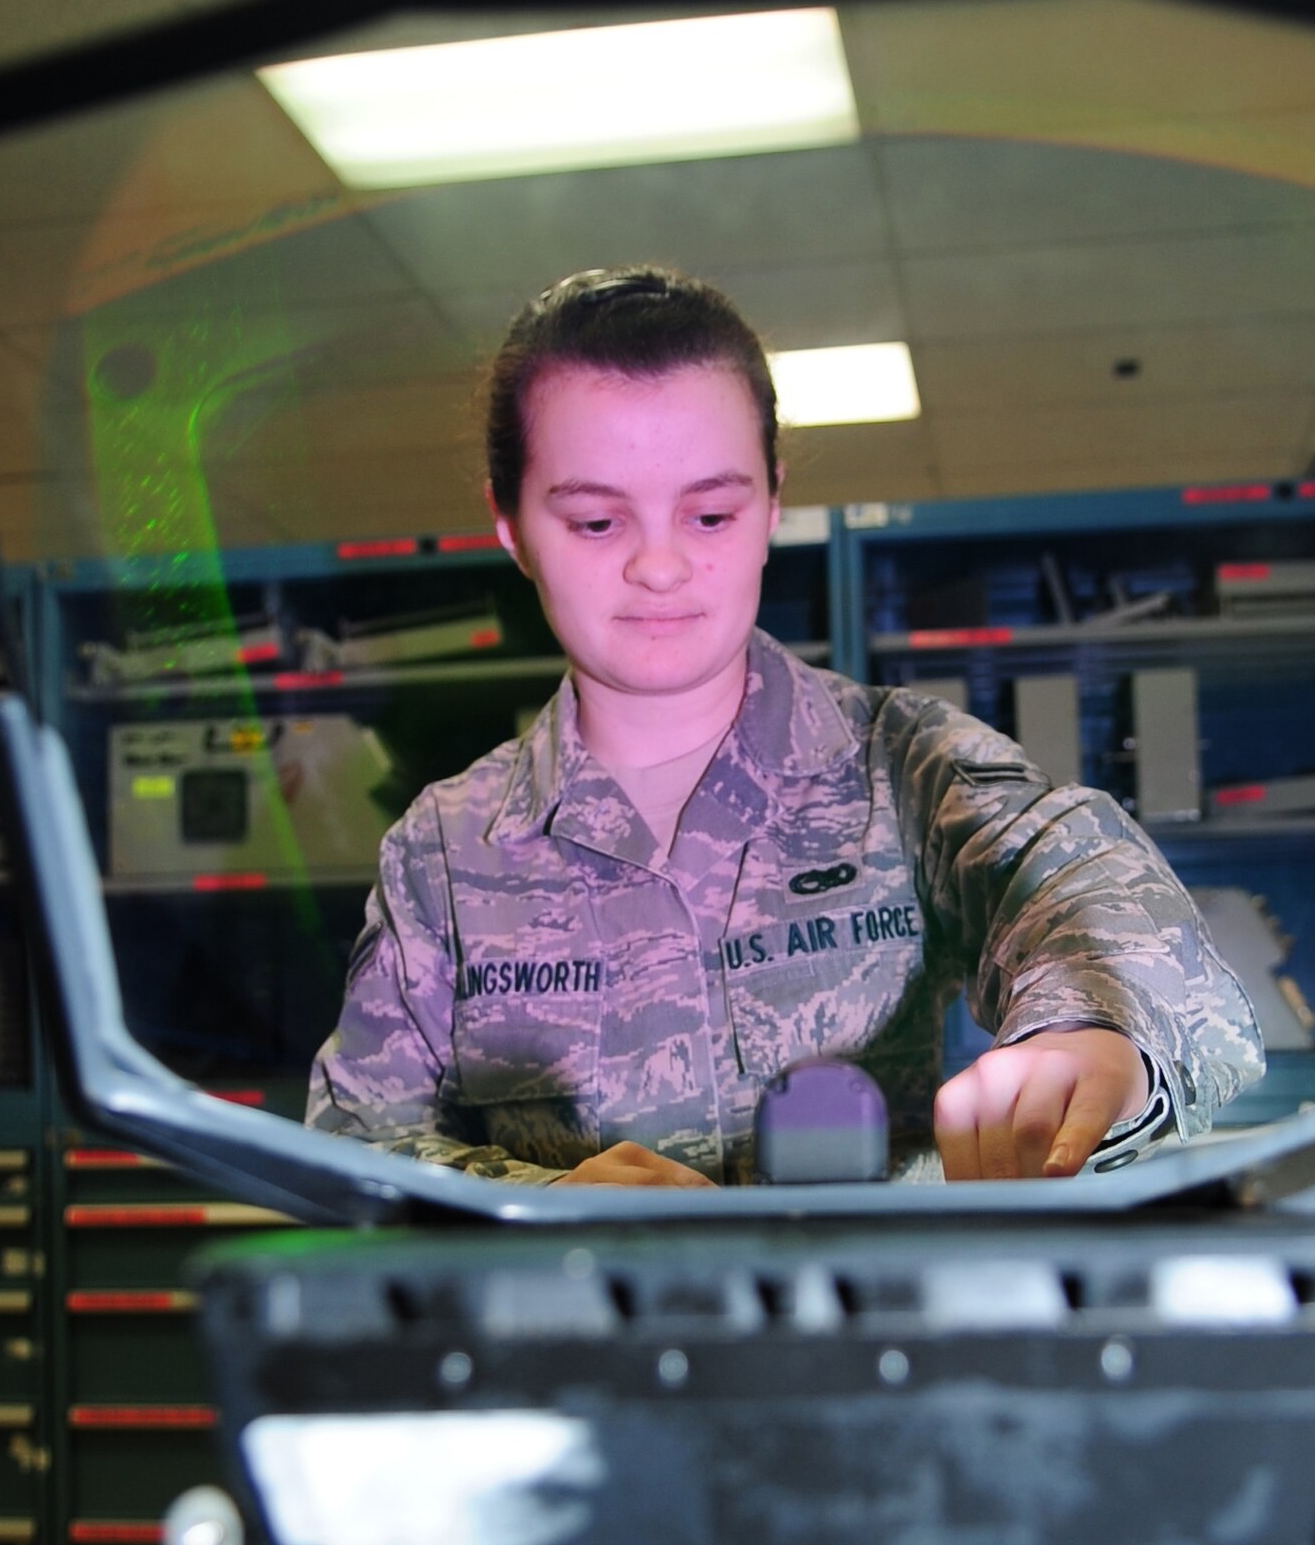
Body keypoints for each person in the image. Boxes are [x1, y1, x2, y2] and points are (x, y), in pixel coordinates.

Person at [308, 265, 1264, 1188]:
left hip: (867, 1343)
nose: (661, 565)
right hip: (574, 1347)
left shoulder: (905, 766)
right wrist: (530, 1204)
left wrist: (1094, 1037)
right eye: (597, 523)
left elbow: (1089, 890)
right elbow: (353, 1144)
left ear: (773, 499)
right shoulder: (441, 852)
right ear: (510, 524)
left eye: (712, 514)